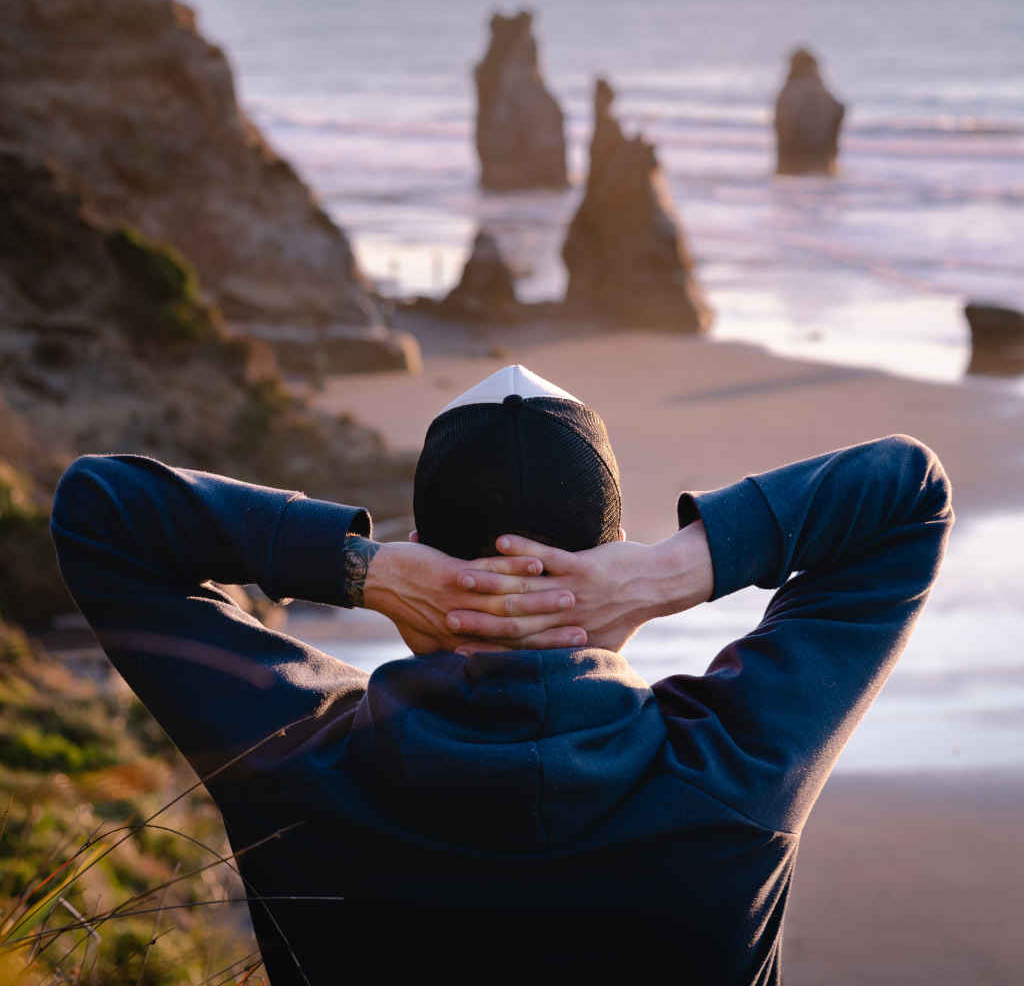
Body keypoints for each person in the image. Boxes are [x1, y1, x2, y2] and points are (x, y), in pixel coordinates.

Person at [50, 364, 953, 985]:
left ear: (425, 564)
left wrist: (360, 571)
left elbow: (101, 516)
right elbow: (907, 496)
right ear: (604, 567)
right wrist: (672, 571)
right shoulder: (731, 770)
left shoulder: (299, 764)